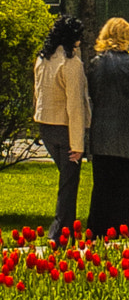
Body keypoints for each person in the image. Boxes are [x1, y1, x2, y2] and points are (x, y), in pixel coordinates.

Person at [86, 18, 129, 239]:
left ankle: (100, 232)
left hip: (102, 139)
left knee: (104, 190)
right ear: (127, 37)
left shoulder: (95, 64)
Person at [33, 16, 88, 240]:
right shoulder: (71, 64)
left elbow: (38, 93)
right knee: (68, 183)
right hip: (66, 128)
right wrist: (78, 144)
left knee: (66, 178)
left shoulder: (42, 59)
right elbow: (75, 105)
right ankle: (59, 233)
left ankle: (66, 232)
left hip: (46, 125)